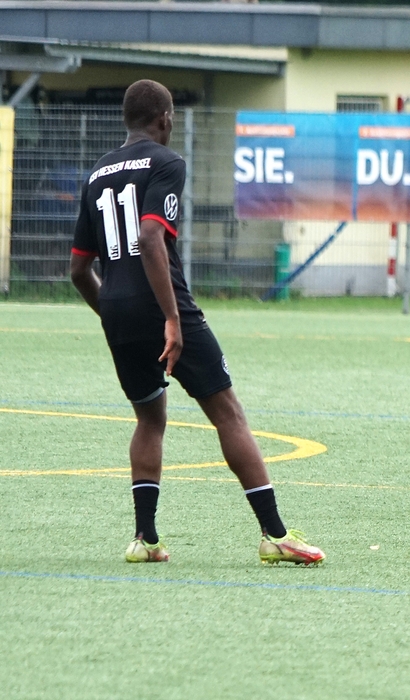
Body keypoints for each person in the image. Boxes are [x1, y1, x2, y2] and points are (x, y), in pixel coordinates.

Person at [70, 79, 325, 564]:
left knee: (150, 418)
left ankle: (145, 540)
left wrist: (116, 314)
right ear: (165, 119)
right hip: (164, 306)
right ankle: (274, 534)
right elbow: (149, 237)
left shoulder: (96, 174)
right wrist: (170, 318)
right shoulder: (167, 162)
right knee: (228, 412)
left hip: (117, 310)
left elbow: (79, 271)